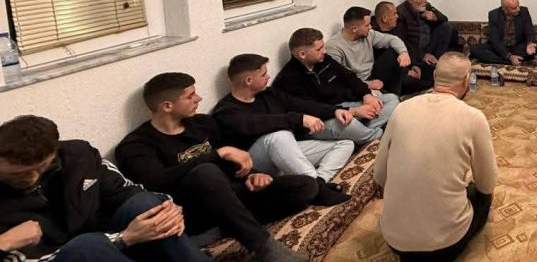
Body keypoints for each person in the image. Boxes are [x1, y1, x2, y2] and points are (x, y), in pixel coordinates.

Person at [115, 73, 315, 262]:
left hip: (229, 196)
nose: (199, 98)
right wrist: (216, 154)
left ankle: (226, 226)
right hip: (190, 210)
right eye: (190, 96)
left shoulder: (202, 123)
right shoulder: (136, 145)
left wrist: (252, 175)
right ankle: (262, 245)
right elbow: (156, 182)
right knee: (205, 172)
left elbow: (230, 161)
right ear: (167, 106)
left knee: (305, 186)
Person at [0, 115, 209, 262]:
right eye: (19, 173)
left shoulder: (78, 155)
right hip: (61, 256)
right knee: (85, 247)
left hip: (105, 240)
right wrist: (123, 238)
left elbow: (126, 190)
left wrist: (167, 207)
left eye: (42, 167)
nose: (33, 177)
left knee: (148, 205)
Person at [373, 52, 497, 261]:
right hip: (448, 244)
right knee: (480, 194)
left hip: (396, 241)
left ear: (435, 76)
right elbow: (487, 183)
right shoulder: (474, 117)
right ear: (466, 80)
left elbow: (379, 175)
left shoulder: (401, 110)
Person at [212, 53, 353, 206]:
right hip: (255, 167)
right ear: (248, 80)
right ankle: (319, 190)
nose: (268, 76)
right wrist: (299, 119)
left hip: (284, 153)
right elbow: (258, 123)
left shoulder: (269, 93)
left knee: (345, 144)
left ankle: (319, 182)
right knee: (278, 136)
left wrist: (334, 110)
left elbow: (301, 104)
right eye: (263, 74)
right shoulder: (226, 110)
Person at [275, 28, 399, 146]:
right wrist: (353, 111)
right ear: (302, 54)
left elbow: (349, 76)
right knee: (349, 125)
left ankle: (360, 133)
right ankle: (376, 135)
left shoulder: (324, 60)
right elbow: (312, 108)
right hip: (321, 119)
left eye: (323, 46)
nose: (324, 51)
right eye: (319, 49)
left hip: (344, 105)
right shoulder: (288, 79)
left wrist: (366, 95)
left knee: (391, 99)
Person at [325, 6, 411, 95]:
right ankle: (392, 95)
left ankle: (395, 94)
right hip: (356, 82)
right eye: (367, 25)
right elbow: (338, 78)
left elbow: (392, 39)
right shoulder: (334, 47)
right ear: (354, 29)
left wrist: (403, 52)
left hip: (373, 73)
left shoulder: (368, 34)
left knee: (393, 52)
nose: (370, 27)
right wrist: (367, 84)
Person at [394, 0, 457, 88]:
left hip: (428, 45)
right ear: (411, 0)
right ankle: (431, 68)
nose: (425, 1)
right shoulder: (401, 13)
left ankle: (438, 62)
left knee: (447, 27)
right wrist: (422, 55)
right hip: (414, 52)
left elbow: (444, 18)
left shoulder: (426, 6)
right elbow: (401, 41)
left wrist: (435, 17)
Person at [374, 1, 433, 95]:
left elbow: (407, 48)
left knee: (430, 68)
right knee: (420, 83)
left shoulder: (396, 29)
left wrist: (413, 65)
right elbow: (385, 62)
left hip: (405, 67)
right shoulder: (374, 36)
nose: (397, 16)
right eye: (394, 14)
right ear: (384, 18)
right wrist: (406, 72)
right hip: (390, 76)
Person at [469, 0, 537, 66]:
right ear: (505, 9)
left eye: (518, 5)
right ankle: (510, 60)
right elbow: (495, 40)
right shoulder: (493, 15)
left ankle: (502, 60)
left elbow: (529, 31)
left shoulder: (524, 11)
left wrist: (530, 43)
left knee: (530, 53)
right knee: (474, 49)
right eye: (514, 8)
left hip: (517, 46)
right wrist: (509, 56)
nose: (518, 9)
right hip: (500, 47)